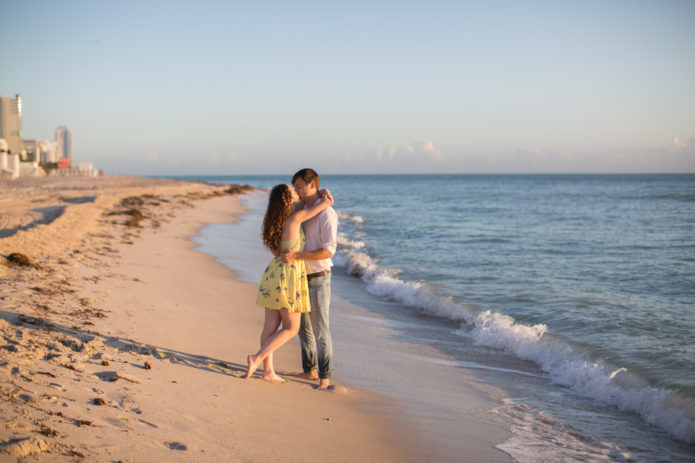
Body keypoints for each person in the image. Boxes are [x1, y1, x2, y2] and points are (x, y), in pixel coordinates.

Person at [244, 184, 333, 382]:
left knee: (270, 327)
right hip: (289, 276)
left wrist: (318, 193)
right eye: (293, 191)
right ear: (287, 199)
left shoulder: (274, 221)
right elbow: (320, 206)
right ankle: (256, 358)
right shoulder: (294, 218)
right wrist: (325, 197)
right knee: (291, 328)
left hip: (273, 274)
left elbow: (302, 203)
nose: (297, 192)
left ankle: (268, 371)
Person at [281, 168, 338, 391]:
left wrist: (297, 256)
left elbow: (329, 251)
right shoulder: (304, 208)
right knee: (303, 327)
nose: (297, 190)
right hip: (300, 276)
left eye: (300, 186)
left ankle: (325, 377)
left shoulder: (327, 214)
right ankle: (309, 369)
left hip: (319, 276)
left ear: (313, 184)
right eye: (295, 187)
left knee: (320, 329)